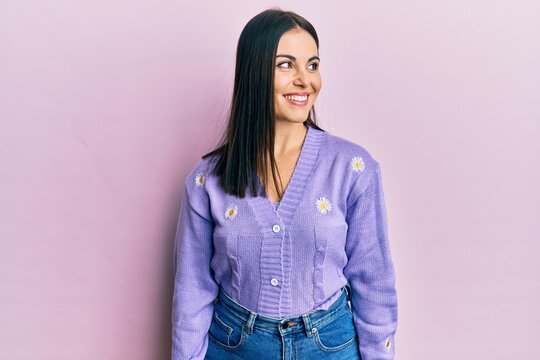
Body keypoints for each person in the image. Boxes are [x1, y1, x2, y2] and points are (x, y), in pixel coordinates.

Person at [172, 7, 398, 360]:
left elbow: (375, 284)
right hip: (234, 347)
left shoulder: (353, 168)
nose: (305, 80)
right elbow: (192, 292)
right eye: (285, 65)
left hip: (330, 346)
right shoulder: (206, 180)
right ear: (254, 72)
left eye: (312, 65)